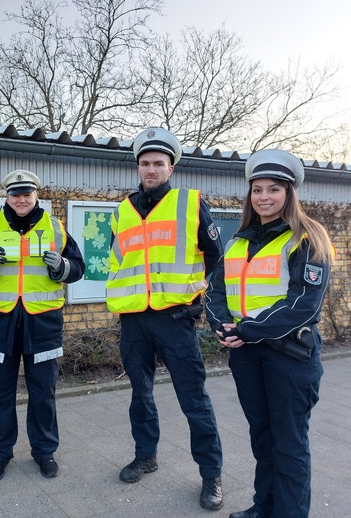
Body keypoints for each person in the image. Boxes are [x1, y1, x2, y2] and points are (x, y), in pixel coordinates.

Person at [204, 149, 335, 518]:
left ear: (290, 193)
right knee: (262, 438)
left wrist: (245, 330)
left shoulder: (307, 238)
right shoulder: (237, 241)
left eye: (273, 189)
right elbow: (215, 291)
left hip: (289, 356)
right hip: (247, 356)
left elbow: (303, 305)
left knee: (289, 444)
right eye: (257, 189)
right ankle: (265, 508)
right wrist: (222, 326)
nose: (263, 196)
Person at [106, 127, 224, 510]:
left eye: (158, 163)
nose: (151, 169)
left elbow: (216, 259)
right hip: (134, 320)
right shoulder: (123, 210)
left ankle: (211, 475)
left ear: (171, 167)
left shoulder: (190, 203)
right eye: (145, 163)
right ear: (138, 167)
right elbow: (116, 262)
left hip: (176, 318)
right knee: (140, 394)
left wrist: (200, 299)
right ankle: (146, 456)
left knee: (193, 399)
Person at [0, 169, 85, 481]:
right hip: (1, 324)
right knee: (0, 394)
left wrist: (63, 267)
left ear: (35, 195)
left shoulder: (56, 229)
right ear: (7, 196)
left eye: (26, 194)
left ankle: (44, 452)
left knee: (43, 394)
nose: (21, 199)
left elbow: (79, 268)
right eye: (15, 194)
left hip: (43, 324)